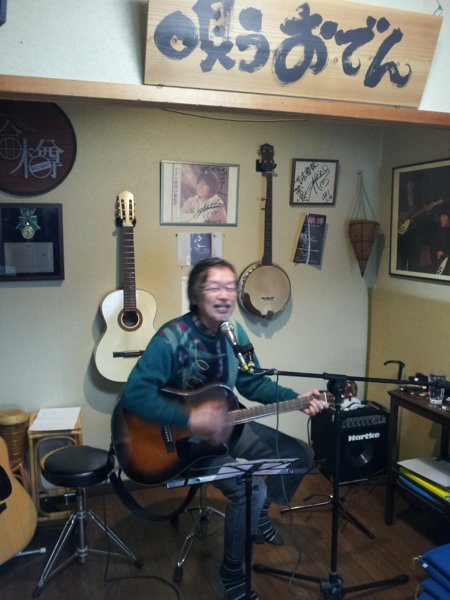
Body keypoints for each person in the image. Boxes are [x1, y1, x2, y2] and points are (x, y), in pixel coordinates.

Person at [121, 257, 327, 600]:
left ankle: (260, 516)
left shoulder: (235, 334)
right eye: (215, 287)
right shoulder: (171, 338)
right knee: (251, 490)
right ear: (196, 295)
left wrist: (296, 399)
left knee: (300, 454)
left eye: (230, 287)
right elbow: (134, 395)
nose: (225, 295)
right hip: (184, 446)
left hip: (229, 427)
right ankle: (232, 570)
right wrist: (189, 420)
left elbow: (252, 383)